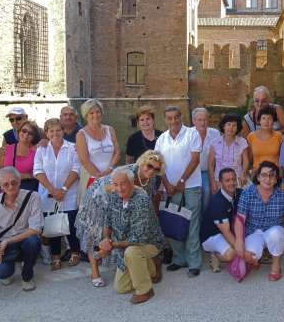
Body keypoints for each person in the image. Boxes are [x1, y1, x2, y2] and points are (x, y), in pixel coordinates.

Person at [75, 150, 166, 287]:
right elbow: (109, 188)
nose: (152, 170)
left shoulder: (151, 179)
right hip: (98, 199)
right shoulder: (127, 172)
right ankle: (95, 272)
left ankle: (131, 262)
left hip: (117, 199)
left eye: (156, 169)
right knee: (95, 234)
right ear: (142, 162)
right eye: (149, 166)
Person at [97, 166, 164, 305]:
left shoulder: (141, 200)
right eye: (116, 184)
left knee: (132, 252)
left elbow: (137, 238)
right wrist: (106, 240)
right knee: (121, 288)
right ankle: (151, 267)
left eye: (123, 184)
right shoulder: (113, 196)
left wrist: (111, 245)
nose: (119, 188)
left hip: (147, 243)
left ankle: (145, 290)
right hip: (125, 245)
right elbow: (107, 221)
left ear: (132, 183)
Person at [234, 161, 284, 281]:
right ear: (258, 177)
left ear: (276, 179)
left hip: (276, 230)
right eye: (264, 175)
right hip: (254, 231)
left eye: (272, 175)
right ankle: (258, 257)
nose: (268, 179)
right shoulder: (247, 193)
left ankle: (276, 265)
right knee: (249, 256)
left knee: (275, 234)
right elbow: (240, 219)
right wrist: (239, 240)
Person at [154, 105, 203, 277]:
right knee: (174, 221)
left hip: (191, 186)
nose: (173, 120)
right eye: (169, 118)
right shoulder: (162, 138)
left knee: (192, 224)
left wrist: (182, 181)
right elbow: (158, 164)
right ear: (165, 120)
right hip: (170, 188)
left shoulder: (192, 133)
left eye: (176, 117)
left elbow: (195, 159)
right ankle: (179, 259)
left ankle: (194, 263)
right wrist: (166, 184)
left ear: (181, 117)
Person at [0, 167, 43, 291]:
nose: (11, 186)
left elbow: (35, 229)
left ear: (19, 182)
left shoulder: (33, 197)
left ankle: (27, 276)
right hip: (3, 245)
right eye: (6, 184)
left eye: (14, 182)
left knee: (33, 241)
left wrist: (7, 241)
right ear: (0, 186)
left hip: (23, 239)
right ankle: (10, 265)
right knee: (2, 273)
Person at [33, 118, 81, 270]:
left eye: (58, 130)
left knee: (71, 224)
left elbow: (76, 169)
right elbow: (37, 171)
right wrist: (53, 190)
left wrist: (64, 189)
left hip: (69, 193)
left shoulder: (72, 148)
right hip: (48, 194)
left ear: (63, 131)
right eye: (51, 131)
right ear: (46, 133)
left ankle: (75, 252)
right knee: (53, 226)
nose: (55, 133)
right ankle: (56, 257)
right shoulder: (42, 150)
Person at [200, 168, 242, 272]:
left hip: (228, 230)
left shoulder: (240, 193)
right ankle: (215, 254)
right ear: (220, 183)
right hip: (212, 235)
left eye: (233, 179)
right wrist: (242, 251)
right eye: (227, 180)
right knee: (232, 254)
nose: (232, 183)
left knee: (244, 245)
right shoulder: (217, 202)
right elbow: (226, 232)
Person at [75, 99, 120, 190]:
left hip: (112, 176)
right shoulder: (81, 134)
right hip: (92, 178)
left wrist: (109, 169)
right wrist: (99, 176)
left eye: (98, 112)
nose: (95, 115)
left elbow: (117, 152)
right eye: (91, 113)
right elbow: (84, 160)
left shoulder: (110, 129)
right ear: (86, 115)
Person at [208, 113, 249, 193]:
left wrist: (243, 174)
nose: (231, 128)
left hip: (237, 179)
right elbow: (211, 165)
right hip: (219, 181)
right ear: (224, 126)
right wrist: (213, 182)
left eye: (234, 125)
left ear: (237, 128)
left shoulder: (242, 142)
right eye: (228, 124)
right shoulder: (215, 142)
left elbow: (246, 161)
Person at [192, 107, 221, 212]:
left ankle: (205, 216)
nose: (203, 123)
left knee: (208, 191)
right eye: (199, 120)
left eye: (205, 119)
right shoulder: (188, 134)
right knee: (195, 196)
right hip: (192, 172)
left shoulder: (215, 133)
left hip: (207, 171)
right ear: (194, 121)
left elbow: (217, 155)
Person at [0, 120, 39, 191]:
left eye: (30, 133)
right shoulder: (6, 149)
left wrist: (28, 176)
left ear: (34, 137)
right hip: (8, 192)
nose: (26, 134)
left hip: (28, 191)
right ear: (19, 132)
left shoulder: (37, 152)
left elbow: (41, 173)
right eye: (24, 131)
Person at [247, 105, 284, 172]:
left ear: (273, 121)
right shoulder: (251, 136)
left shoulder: (279, 135)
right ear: (259, 121)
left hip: (274, 173)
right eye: (263, 118)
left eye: (269, 118)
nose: (266, 121)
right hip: (257, 173)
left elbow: (282, 157)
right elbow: (249, 158)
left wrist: (281, 172)